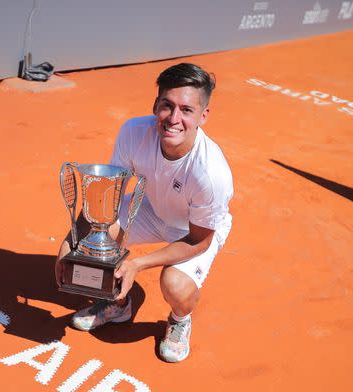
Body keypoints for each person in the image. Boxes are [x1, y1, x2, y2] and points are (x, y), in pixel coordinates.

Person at [54, 62, 233, 363]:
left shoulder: (211, 172)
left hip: (192, 231)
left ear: (203, 116)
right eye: (167, 106)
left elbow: (199, 241)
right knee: (94, 244)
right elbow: (107, 202)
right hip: (149, 209)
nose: (174, 119)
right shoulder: (134, 132)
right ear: (156, 104)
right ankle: (116, 303)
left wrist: (137, 264)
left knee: (174, 284)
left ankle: (179, 319)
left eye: (186, 110)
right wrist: (70, 244)